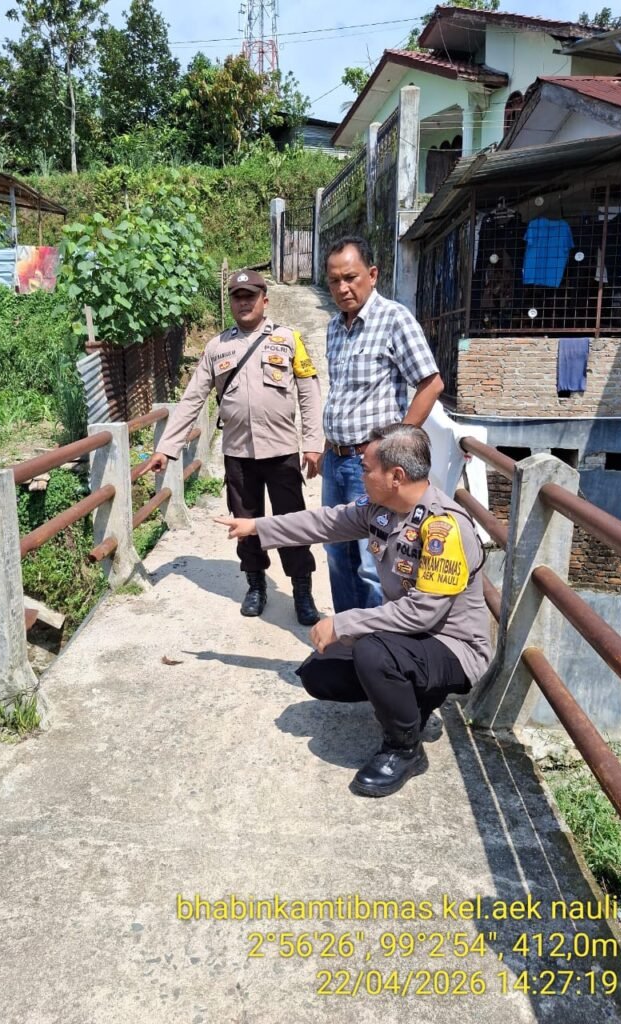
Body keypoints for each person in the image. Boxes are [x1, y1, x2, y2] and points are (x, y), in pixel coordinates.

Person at [215, 423, 491, 798]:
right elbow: (325, 522)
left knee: (371, 652)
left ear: (396, 476)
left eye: (366, 468)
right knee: (320, 671)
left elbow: (422, 615)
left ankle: (404, 748)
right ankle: (413, 700)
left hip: (452, 647)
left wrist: (343, 622)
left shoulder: (444, 528)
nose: (360, 474)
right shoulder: (382, 509)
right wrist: (256, 527)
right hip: (411, 639)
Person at [146, 269, 324, 625]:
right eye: (237, 297)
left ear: (265, 300)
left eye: (251, 296)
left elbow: (309, 392)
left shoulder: (289, 340)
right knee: (244, 522)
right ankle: (255, 583)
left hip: (282, 450)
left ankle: (302, 589)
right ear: (231, 303)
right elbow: (192, 398)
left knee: (292, 522)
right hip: (238, 454)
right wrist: (167, 448)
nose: (244, 302)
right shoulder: (217, 347)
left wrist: (313, 443)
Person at [322, 235, 445, 614]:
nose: (343, 288)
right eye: (334, 281)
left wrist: (395, 444)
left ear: (372, 275)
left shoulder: (394, 319)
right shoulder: (333, 328)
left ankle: (375, 649)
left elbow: (431, 383)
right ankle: (345, 639)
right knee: (337, 554)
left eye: (351, 277)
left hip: (372, 466)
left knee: (372, 560)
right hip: (335, 460)